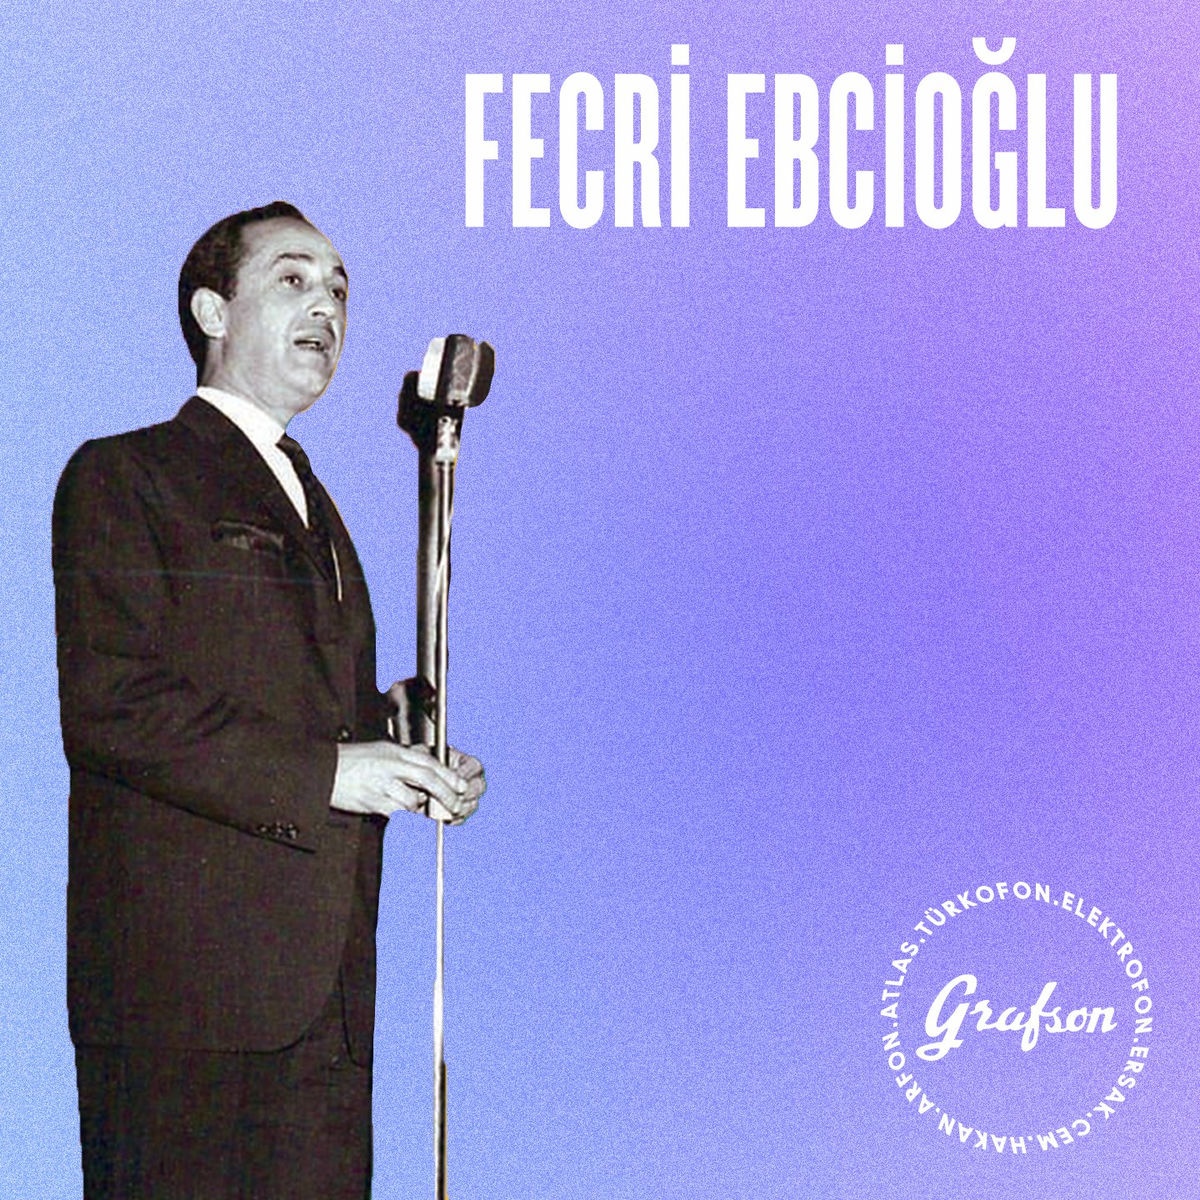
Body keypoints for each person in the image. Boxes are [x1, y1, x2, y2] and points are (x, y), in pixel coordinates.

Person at [51, 200, 485, 1199]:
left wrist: (399, 741)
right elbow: (110, 702)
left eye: (339, 290)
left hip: (323, 1005)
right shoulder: (127, 475)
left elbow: (297, 701)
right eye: (293, 279)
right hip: (182, 1012)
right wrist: (333, 772)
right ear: (212, 311)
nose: (326, 305)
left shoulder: (314, 504)